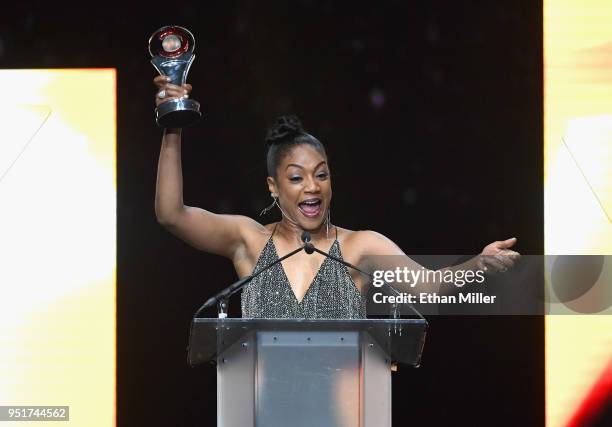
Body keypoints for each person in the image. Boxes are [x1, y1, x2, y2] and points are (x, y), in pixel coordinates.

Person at [153, 76, 520, 319]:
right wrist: (173, 126)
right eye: (296, 178)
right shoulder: (249, 240)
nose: (312, 186)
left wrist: (479, 264)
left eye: (321, 174)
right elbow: (171, 214)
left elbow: (432, 288)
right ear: (273, 187)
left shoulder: (361, 246)